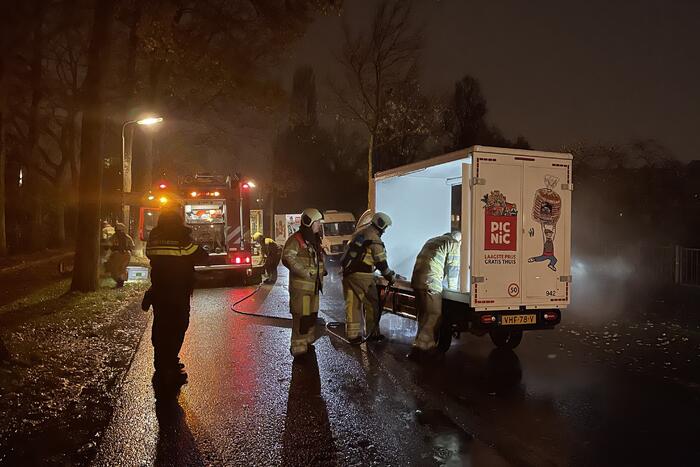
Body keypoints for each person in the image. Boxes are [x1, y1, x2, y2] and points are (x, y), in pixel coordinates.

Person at [145, 204, 207, 385]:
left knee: (160, 325)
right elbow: (200, 255)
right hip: (178, 290)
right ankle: (170, 365)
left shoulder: (154, 236)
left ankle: (161, 363)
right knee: (178, 326)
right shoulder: (181, 236)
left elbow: (150, 254)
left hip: (159, 290)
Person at [340, 212, 396, 343]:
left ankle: (353, 336)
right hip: (363, 277)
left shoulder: (359, 233)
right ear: (381, 225)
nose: (385, 231)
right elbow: (381, 263)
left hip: (348, 274)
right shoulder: (374, 239)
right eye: (385, 227)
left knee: (352, 305)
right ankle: (373, 334)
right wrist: (390, 277)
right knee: (372, 304)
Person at [408, 231, 461, 359]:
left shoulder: (433, 240)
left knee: (423, 316)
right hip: (430, 283)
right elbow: (453, 269)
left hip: (417, 281)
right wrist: (454, 291)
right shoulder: (453, 243)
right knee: (434, 315)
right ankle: (425, 348)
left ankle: (417, 348)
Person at [282, 208, 325, 358]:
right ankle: (299, 348)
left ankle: (307, 342)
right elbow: (288, 257)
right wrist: (306, 272)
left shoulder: (314, 240)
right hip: (303, 290)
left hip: (313, 288)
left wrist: (322, 270)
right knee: (302, 318)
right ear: (309, 222)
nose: (319, 225)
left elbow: (316, 260)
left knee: (311, 316)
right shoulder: (296, 240)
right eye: (317, 222)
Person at [108, 223, 134, 288]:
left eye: (117, 230)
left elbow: (132, 246)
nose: (117, 232)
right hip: (119, 254)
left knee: (120, 268)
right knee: (117, 269)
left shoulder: (125, 237)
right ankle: (119, 281)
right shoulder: (115, 237)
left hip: (123, 254)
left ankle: (120, 282)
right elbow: (108, 245)